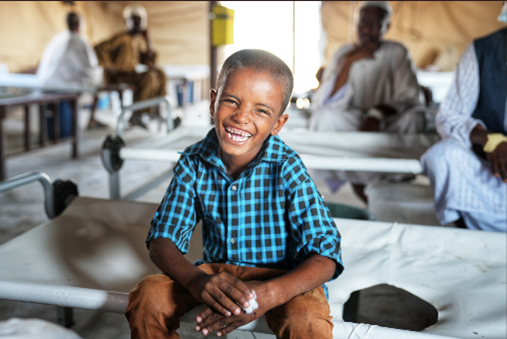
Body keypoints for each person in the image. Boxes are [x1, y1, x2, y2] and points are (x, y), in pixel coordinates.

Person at [125, 50, 344, 338]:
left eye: (261, 110)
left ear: (278, 123)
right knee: (147, 297)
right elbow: (162, 239)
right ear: (214, 102)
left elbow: (326, 254)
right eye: (231, 101)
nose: (241, 117)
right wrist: (195, 281)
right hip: (215, 275)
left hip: (281, 278)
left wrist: (272, 293)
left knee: (307, 319)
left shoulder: (287, 168)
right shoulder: (193, 162)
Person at [308, 1, 426, 202]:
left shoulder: (397, 52)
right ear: (356, 24)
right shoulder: (343, 53)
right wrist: (349, 62)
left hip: (388, 122)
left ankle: (394, 175)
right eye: (363, 24)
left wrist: (377, 114)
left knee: (415, 118)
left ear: (386, 27)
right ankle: (352, 173)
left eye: (375, 25)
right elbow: (324, 102)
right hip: (354, 123)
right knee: (325, 117)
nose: (367, 30)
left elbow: (409, 96)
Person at [421, 9, 507, 233]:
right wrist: (492, 141)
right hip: (493, 172)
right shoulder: (483, 51)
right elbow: (449, 116)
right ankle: (470, 235)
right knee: (443, 156)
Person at [94, 4, 166, 129]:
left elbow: (150, 62)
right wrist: (110, 67)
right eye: (135, 21)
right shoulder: (121, 38)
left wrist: (148, 41)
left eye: (141, 21)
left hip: (130, 75)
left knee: (159, 73)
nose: (138, 24)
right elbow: (99, 48)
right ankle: (139, 114)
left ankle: (157, 110)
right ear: (127, 22)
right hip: (119, 76)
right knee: (149, 77)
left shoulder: (136, 41)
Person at [37, 12, 103, 130]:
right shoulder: (80, 40)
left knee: (83, 83)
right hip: (62, 85)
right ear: (79, 25)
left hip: (44, 82)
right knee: (98, 84)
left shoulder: (58, 38)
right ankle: (91, 120)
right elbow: (90, 69)